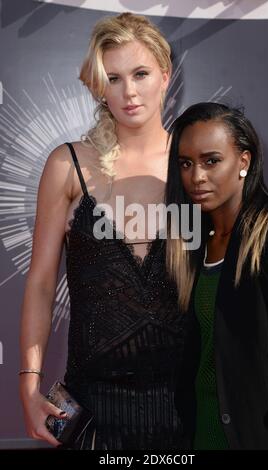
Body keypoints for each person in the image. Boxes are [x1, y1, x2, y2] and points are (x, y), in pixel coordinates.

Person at [19, 12, 188, 450]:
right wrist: (29, 385)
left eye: (141, 73)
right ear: (98, 86)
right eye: (113, 78)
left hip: (188, 405)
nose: (129, 91)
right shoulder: (67, 166)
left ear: (165, 76)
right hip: (93, 408)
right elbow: (39, 283)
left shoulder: (195, 165)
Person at [165, 102, 268, 449]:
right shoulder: (191, 246)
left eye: (211, 161)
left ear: (244, 161)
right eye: (186, 164)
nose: (197, 177)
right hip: (198, 436)